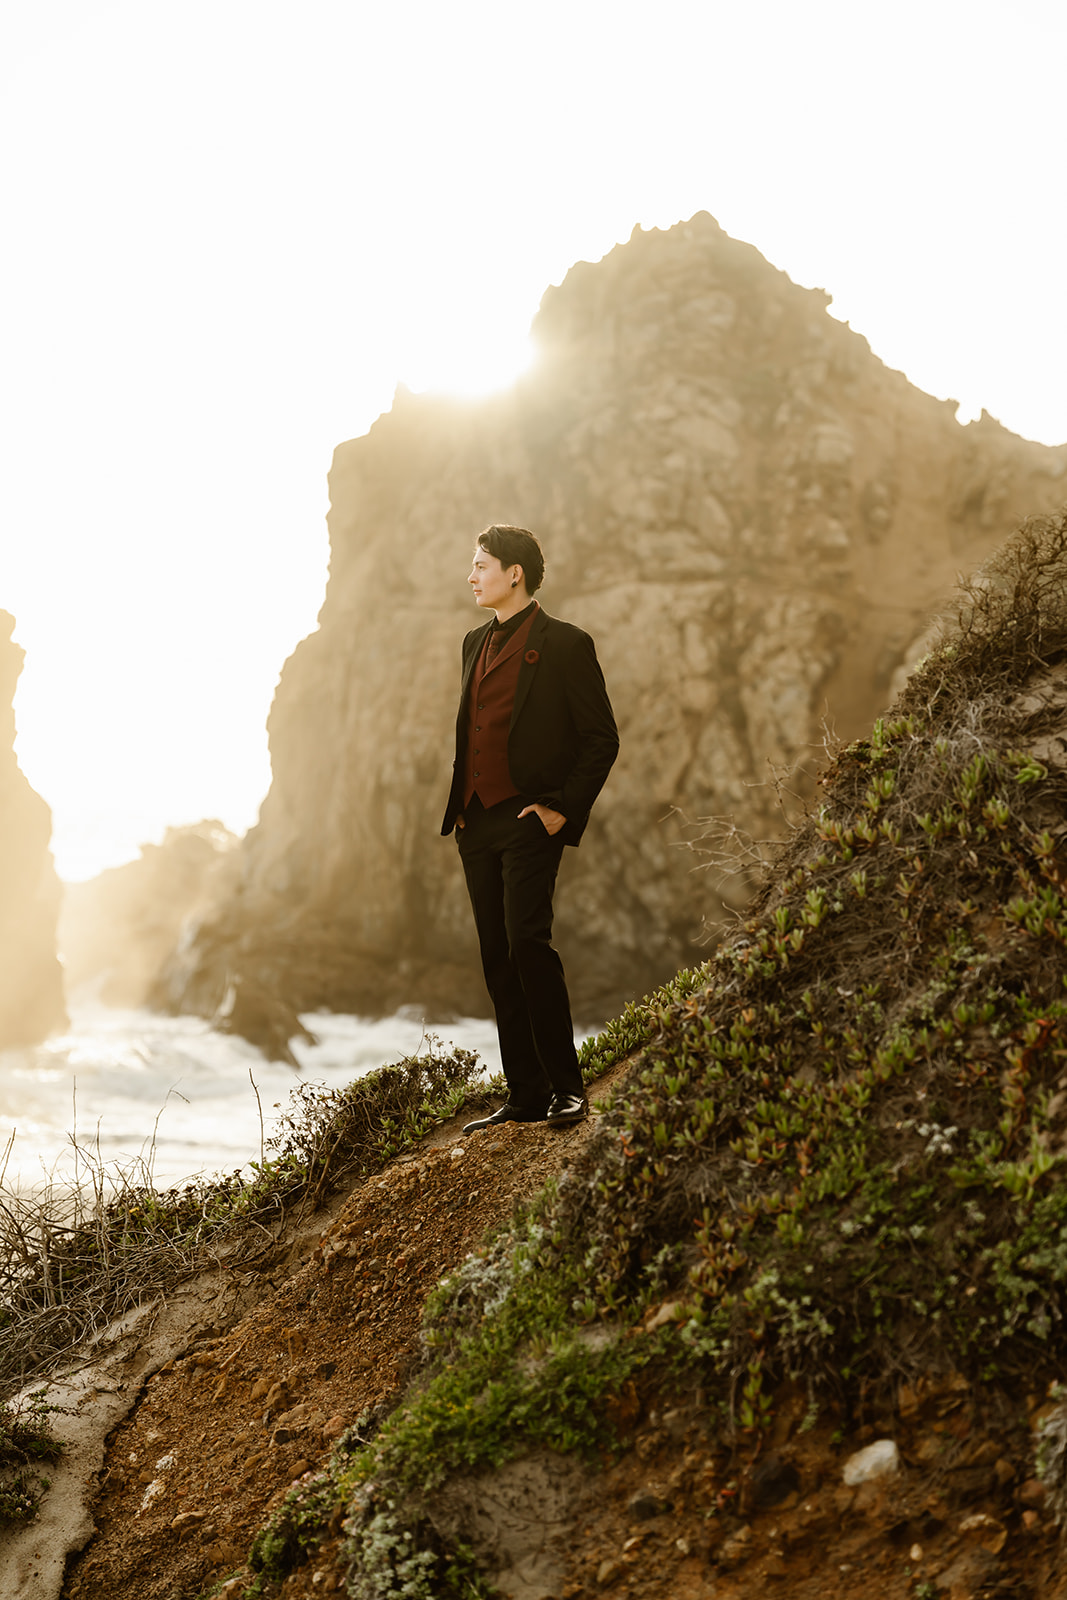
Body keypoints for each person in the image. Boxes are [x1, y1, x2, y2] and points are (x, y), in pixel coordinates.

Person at [441, 524, 619, 1132]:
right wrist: (463, 804)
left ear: (515, 572)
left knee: (528, 945)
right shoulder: (472, 642)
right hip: (477, 821)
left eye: (482, 565)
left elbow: (601, 740)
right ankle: (525, 1093)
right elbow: (475, 727)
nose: (472, 576)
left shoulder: (566, 644)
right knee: (496, 956)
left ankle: (567, 1088)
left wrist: (560, 808)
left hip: (529, 820)